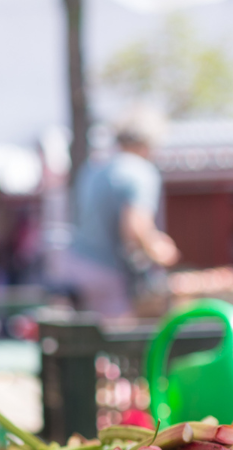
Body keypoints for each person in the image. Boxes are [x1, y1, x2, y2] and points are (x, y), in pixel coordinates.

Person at [57, 109, 180, 319]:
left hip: (74, 264)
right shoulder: (140, 172)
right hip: (107, 273)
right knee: (118, 341)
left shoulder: (93, 168)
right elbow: (135, 226)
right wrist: (159, 249)